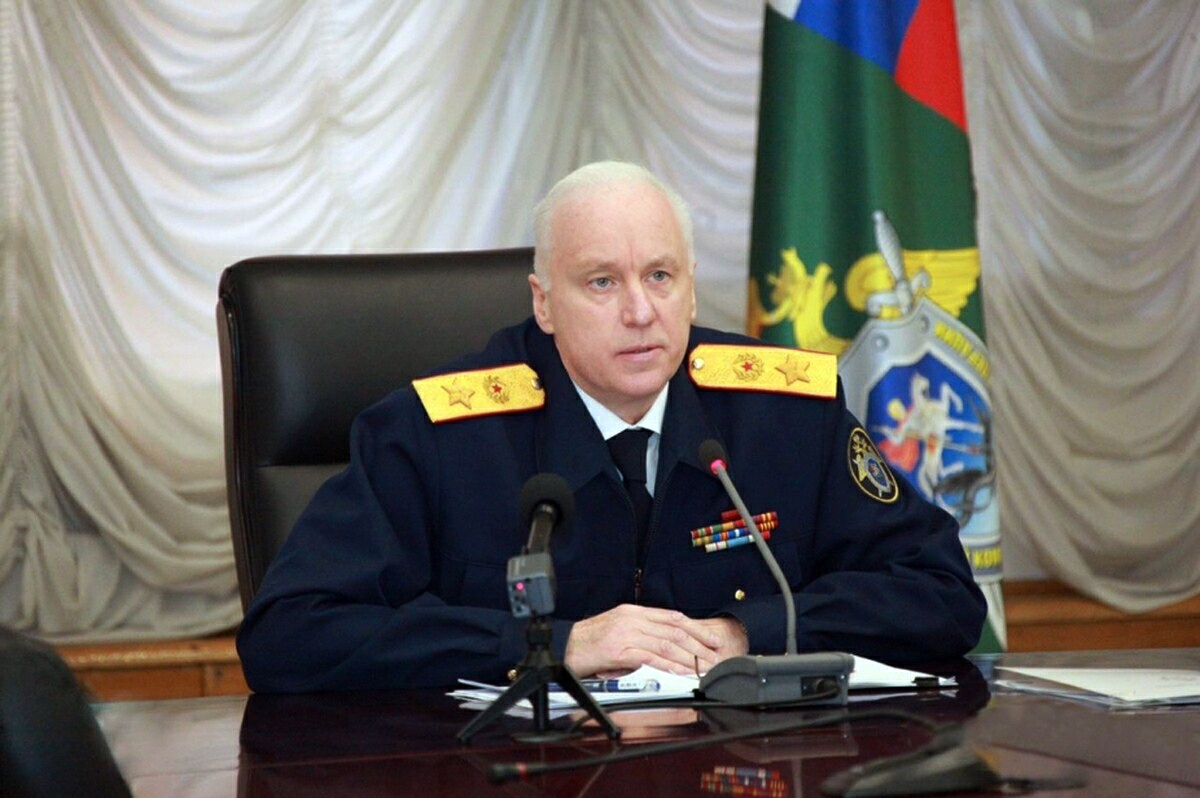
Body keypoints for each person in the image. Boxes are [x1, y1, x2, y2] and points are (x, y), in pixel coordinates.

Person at [237, 161, 986, 692]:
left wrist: (743, 634)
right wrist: (555, 645)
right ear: (544, 302)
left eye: (660, 276)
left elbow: (942, 594)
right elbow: (289, 634)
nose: (639, 311)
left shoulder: (787, 413)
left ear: (691, 291)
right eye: (602, 282)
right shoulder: (435, 434)